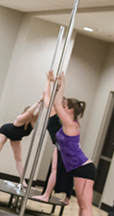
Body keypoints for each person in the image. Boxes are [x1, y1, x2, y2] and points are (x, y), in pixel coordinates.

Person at [0, 73, 54, 185]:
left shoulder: (32, 123)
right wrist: (39, 101)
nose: (31, 114)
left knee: (18, 159)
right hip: (5, 131)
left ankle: (22, 180)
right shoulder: (20, 119)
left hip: (16, 137)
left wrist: (44, 101)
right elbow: (29, 112)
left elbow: (38, 112)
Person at [52, 72, 92, 216]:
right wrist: (56, 87)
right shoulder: (68, 124)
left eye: (65, 106)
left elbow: (56, 104)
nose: (62, 107)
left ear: (70, 110)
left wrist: (62, 85)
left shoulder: (71, 125)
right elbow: (54, 105)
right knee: (82, 206)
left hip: (83, 168)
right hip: (77, 168)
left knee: (85, 205)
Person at [32, 72, 74, 205]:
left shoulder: (54, 111)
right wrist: (57, 85)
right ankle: (65, 197)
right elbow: (49, 97)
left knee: (55, 169)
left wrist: (48, 81)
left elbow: (47, 97)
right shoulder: (58, 114)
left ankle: (46, 195)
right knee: (60, 169)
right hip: (63, 144)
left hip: (63, 144)